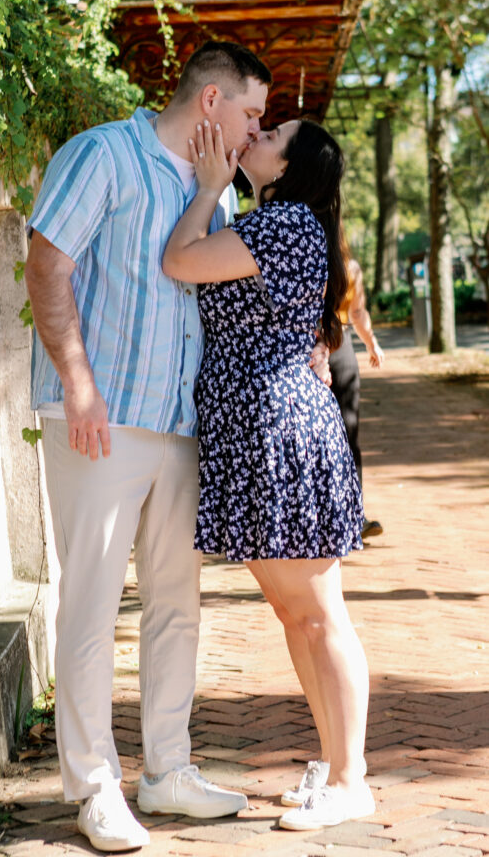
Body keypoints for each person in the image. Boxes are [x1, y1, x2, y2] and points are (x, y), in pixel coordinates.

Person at [25, 42, 332, 852]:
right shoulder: (102, 155)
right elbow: (47, 262)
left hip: (180, 425)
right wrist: (77, 381)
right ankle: (93, 786)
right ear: (211, 103)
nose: (254, 129)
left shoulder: (217, 192)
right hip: (101, 417)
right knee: (92, 607)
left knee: (174, 608)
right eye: (251, 115)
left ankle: (165, 769)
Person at [162, 118, 375, 831]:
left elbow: (180, 262)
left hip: (277, 433)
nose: (257, 131)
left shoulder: (282, 223)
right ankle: (335, 763)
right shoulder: (275, 220)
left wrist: (209, 188)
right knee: (296, 613)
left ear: (289, 165)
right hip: (258, 431)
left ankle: (352, 780)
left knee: (319, 614)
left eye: (272, 130)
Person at [329, 255, 385, 539]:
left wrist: (371, 342)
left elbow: (357, 311)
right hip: (315, 345)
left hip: (337, 342)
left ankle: (354, 515)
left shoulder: (349, 267)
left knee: (348, 432)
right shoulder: (346, 265)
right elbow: (358, 311)